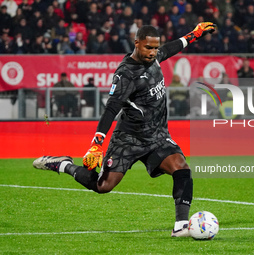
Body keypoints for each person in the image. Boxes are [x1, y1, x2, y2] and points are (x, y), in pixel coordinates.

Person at [33, 23, 216, 237]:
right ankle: (63, 165)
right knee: (103, 186)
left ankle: (181, 226)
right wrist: (96, 144)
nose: (153, 52)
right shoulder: (126, 75)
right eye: (148, 48)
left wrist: (194, 35)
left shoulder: (155, 57)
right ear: (137, 43)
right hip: (128, 139)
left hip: (157, 136)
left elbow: (172, 47)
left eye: (155, 48)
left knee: (182, 169)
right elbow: (111, 108)